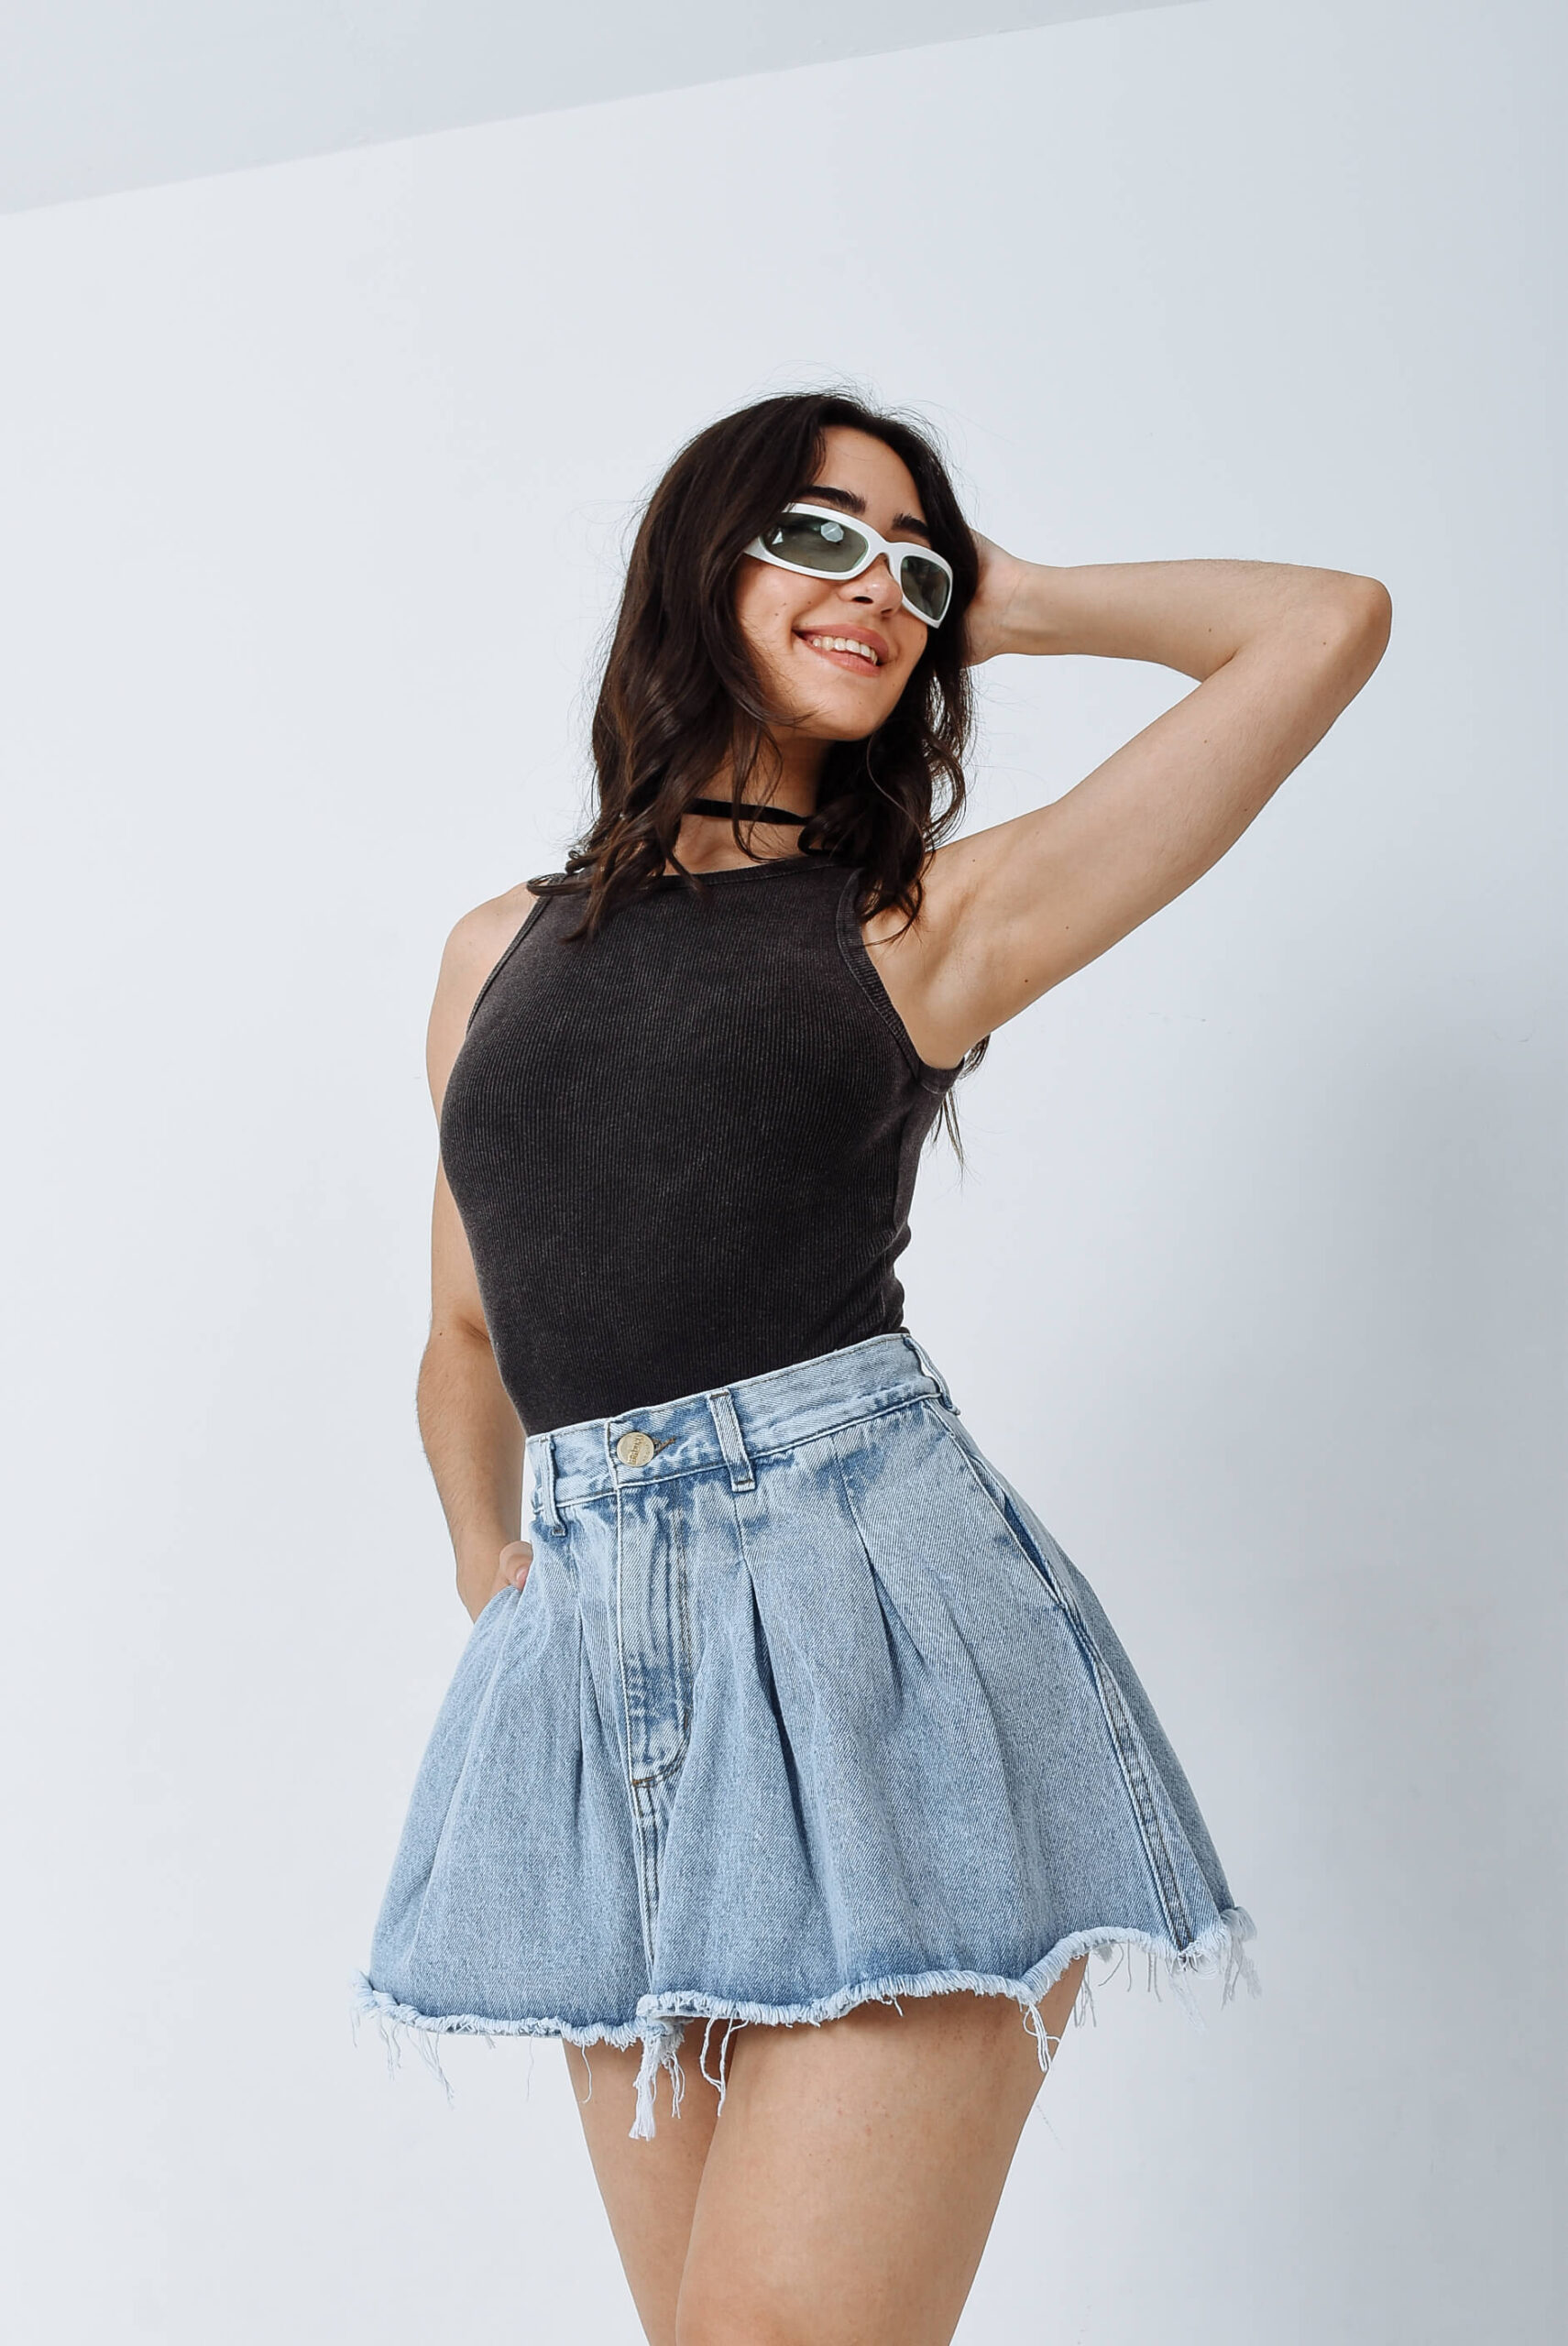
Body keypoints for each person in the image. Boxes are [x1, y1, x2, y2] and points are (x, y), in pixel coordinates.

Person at [353, 389, 1390, 2345]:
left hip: (864, 1635)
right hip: (590, 1666)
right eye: (820, 536)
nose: (879, 587)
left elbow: (1322, 622)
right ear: (699, 562)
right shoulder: (495, 950)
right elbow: (468, 1335)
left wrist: (1014, 598)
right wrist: (493, 1569)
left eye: (912, 563)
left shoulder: (921, 923)